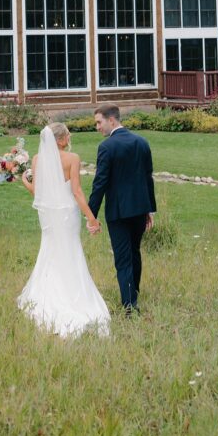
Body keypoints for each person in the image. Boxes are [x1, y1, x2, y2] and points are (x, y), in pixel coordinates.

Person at [17, 123, 110, 338]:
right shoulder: (72, 158)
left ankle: (46, 293)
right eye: (67, 135)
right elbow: (76, 192)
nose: (70, 137)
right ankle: (73, 295)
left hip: (48, 215)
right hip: (66, 213)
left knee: (50, 249)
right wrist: (91, 218)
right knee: (70, 249)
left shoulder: (38, 160)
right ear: (59, 140)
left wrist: (24, 181)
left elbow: (37, 192)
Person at [88, 105, 156, 315]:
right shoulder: (141, 142)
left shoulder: (107, 147)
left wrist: (91, 215)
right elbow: (148, 177)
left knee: (123, 257)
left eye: (99, 122)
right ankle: (132, 292)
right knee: (134, 252)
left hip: (118, 212)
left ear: (112, 120)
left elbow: (100, 183)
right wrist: (150, 210)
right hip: (139, 209)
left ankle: (129, 305)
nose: (97, 127)